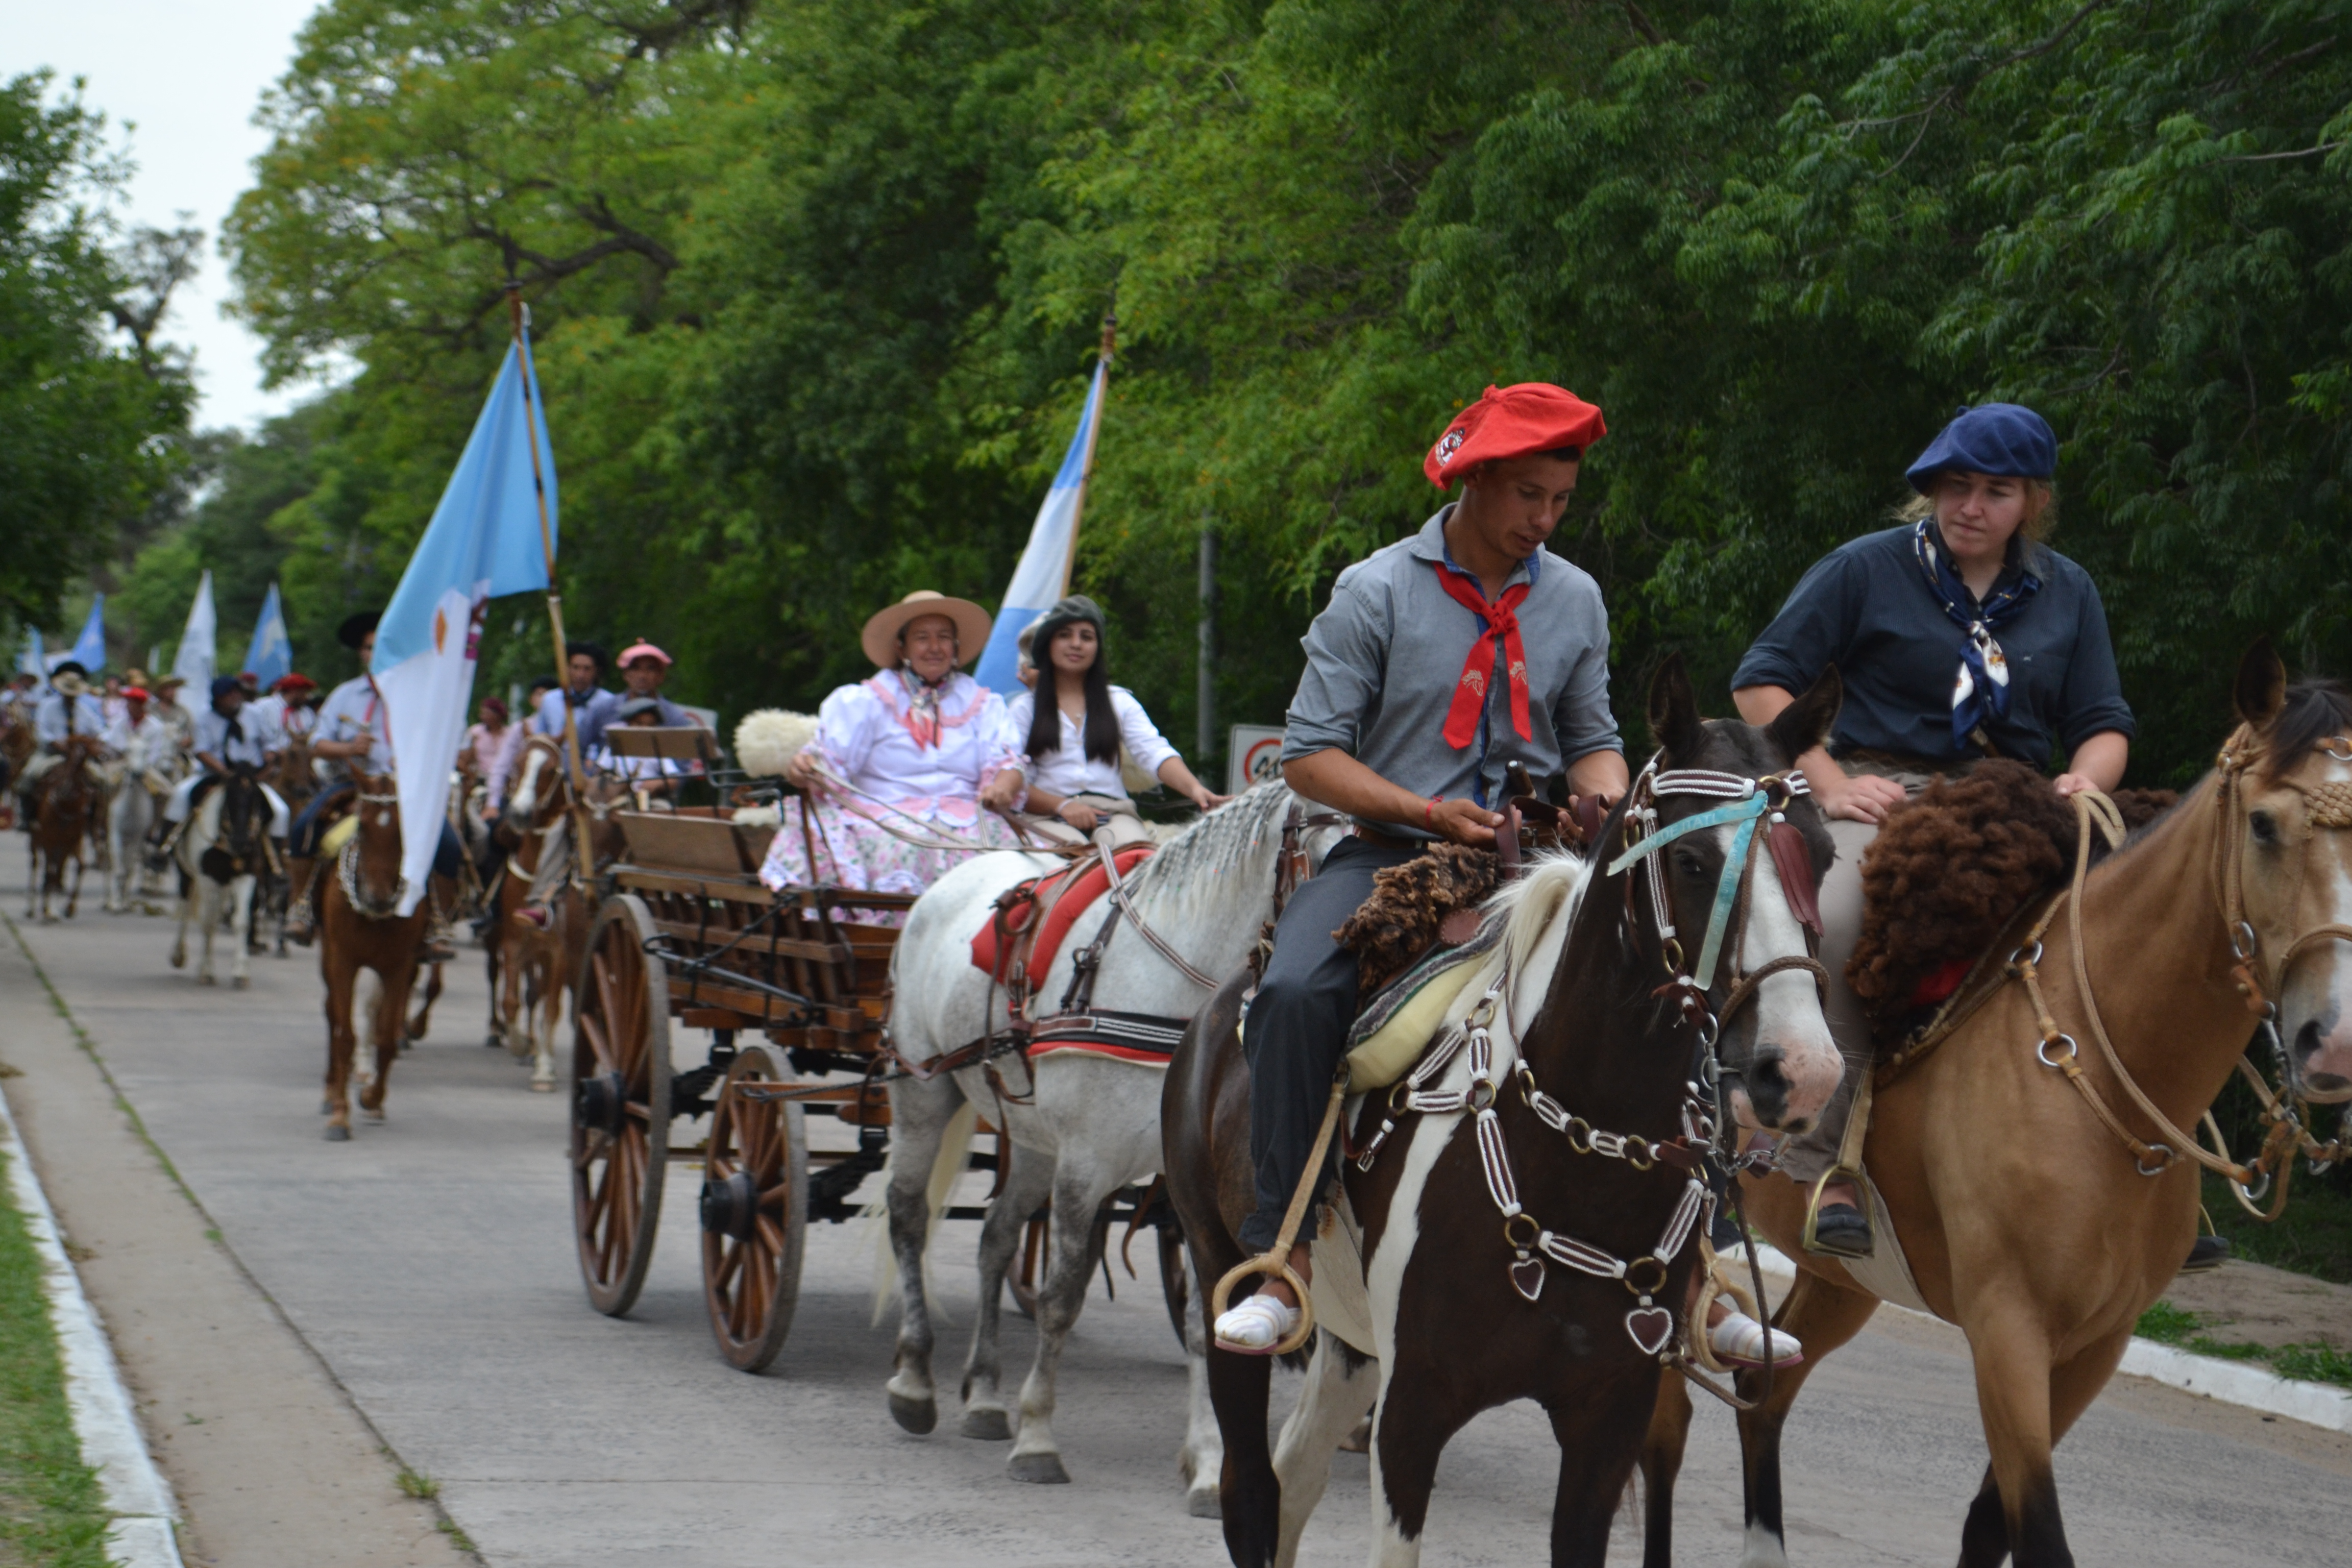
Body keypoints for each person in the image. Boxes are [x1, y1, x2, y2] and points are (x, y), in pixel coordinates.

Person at [1211, 383, 1661, 1354]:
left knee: (1674, 973)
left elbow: (1594, 738)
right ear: (1472, 483)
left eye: (1559, 503)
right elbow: (1307, 755)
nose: (1542, 522)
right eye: (1527, 498)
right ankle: (1279, 1253)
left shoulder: (1574, 597)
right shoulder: (1372, 590)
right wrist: (1422, 811)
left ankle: (1700, 1249)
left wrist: (1600, 798)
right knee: (1293, 990)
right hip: (1390, 855)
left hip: (1540, 856)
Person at [1730, 402, 2134, 1261]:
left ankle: (2156, 1164)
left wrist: (2081, 781)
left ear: (2031, 501)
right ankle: (1821, 1162)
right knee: (1834, 927)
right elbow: (1761, 685)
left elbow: (2102, 722)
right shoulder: (1866, 570)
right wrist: (1829, 782)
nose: (1971, 506)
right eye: (1955, 486)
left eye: (1995, 491)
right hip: (1889, 796)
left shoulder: (2067, 591)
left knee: (2138, 928)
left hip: (2014, 809)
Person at [753, 590, 1022, 912]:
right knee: (905, 846)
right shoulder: (867, 701)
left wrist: (1002, 788)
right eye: (922, 637)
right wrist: (806, 767)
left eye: (944, 637)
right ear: (902, 647)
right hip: (886, 816)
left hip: (968, 816)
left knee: (1017, 856)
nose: (935, 647)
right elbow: (828, 761)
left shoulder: (983, 703)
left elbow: (1006, 759)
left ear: (956, 647)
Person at [282, 611, 463, 957]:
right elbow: (317, 743)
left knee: (450, 845)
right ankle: (301, 908)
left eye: (382, 646)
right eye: (368, 647)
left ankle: (439, 921)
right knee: (304, 827)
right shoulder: (345, 695)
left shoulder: (421, 696)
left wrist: (416, 760)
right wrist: (349, 748)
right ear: (361, 654)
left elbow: (446, 743)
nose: (375, 653)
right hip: (353, 787)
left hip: (406, 794)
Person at [978, 595, 1226, 844]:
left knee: (1135, 861)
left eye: (1087, 637)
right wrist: (1063, 806)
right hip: (1047, 817)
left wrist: (1196, 790)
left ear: (1097, 647)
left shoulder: (1120, 702)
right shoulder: (1023, 710)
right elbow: (1014, 774)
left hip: (1115, 815)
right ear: (1048, 644)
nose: (1076, 644)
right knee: (1062, 863)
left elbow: (1155, 752)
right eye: (1065, 635)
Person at [160, 677, 290, 844]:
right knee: (180, 794)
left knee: (281, 811)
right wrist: (224, 771)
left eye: (237, 692)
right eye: (229, 694)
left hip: (251, 777)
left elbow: (270, 744)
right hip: (215, 773)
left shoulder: (255, 714)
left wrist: (269, 757)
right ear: (218, 698)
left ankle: (276, 859)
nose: (235, 696)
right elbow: (201, 750)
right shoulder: (205, 718)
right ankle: (165, 844)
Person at [12, 662, 108, 828]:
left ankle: (94, 821)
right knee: (28, 776)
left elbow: (99, 730)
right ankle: (28, 817)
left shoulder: (84, 711)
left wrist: (96, 742)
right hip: (51, 754)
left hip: (78, 758)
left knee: (103, 781)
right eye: (67, 693)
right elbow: (40, 731)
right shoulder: (47, 706)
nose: (70, 697)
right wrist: (54, 741)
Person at [533, 641, 618, 754]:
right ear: (567, 668)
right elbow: (540, 739)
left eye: (587, 669)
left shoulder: (608, 702)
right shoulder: (550, 700)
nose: (580, 675)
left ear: (597, 671)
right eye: (576, 667)